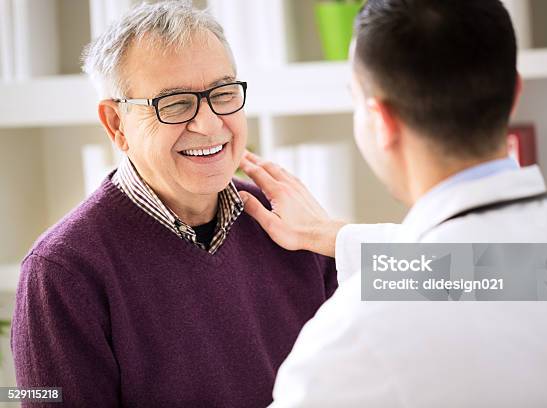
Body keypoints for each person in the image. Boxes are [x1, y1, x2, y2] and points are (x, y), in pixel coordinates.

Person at [238, 0, 547, 406]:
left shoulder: (348, 341)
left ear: (381, 120)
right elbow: (500, 268)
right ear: (516, 91)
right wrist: (337, 236)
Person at [11, 2, 336, 407]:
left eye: (223, 93)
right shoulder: (60, 271)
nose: (209, 123)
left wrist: (336, 239)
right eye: (176, 104)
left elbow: (437, 287)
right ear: (117, 125)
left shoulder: (292, 221)